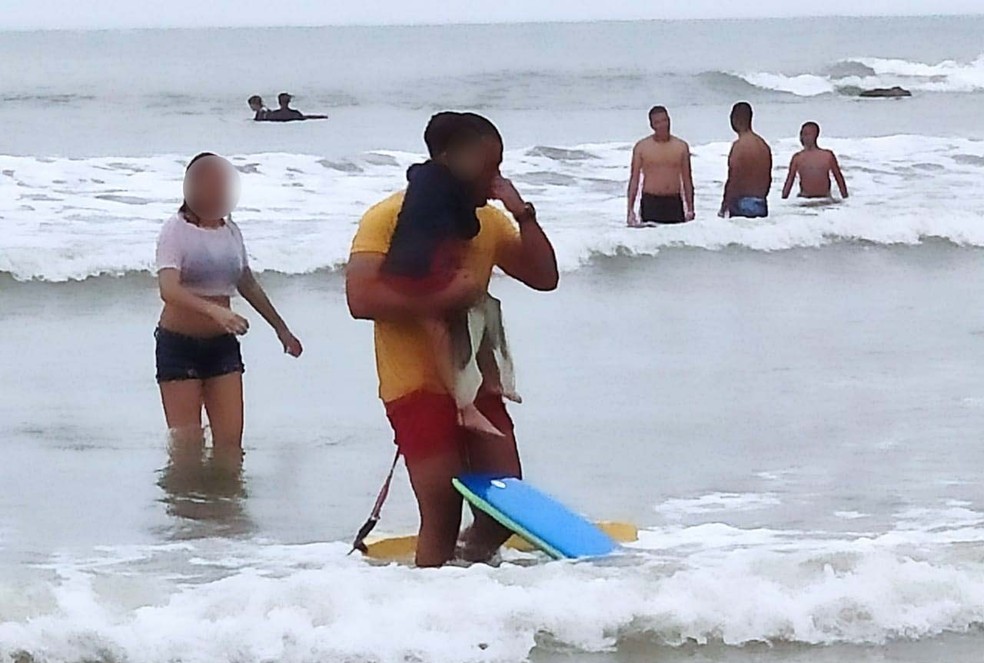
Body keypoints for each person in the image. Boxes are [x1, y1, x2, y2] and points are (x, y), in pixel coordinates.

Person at [346, 112, 559, 568]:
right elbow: (360, 299)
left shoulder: (488, 222)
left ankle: (470, 567)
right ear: (448, 159)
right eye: (487, 166)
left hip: (474, 382)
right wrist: (446, 297)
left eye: (500, 165)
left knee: (505, 506)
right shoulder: (388, 218)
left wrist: (522, 213)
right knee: (442, 510)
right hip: (414, 385)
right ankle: (432, 612)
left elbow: (545, 277)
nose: (495, 177)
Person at [155, 153, 303, 465]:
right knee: (187, 448)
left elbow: (246, 282)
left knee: (230, 448)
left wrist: (281, 328)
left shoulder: (231, 231)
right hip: (178, 345)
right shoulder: (175, 230)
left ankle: (226, 507)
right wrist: (216, 312)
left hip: (222, 347)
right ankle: (187, 510)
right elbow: (169, 290)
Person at [382, 113, 509, 439]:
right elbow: (469, 227)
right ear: (449, 157)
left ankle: (489, 382)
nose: (489, 174)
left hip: (407, 267)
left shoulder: (424, 179)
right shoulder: (446, 185)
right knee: (456, 316)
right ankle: (467, 405)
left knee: (473, 311)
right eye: (483, 164)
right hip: (417, 270)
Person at [627, 106, 695, 226]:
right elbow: (634, 180)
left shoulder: (681, 146)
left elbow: (687, 180)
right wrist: (630, 210)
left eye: (665, 120)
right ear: (652, 126)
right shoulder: (642, 147)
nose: (663, 125)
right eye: (658, 122)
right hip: (650, 202)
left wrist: (690, 209)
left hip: (674, 202)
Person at [719, 102, 773, 219]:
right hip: (761, 203)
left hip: (742, 204)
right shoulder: (763, 145)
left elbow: (733, 178)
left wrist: (725, 205)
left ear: (735, 119)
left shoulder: (739, 146)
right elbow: (768, 179)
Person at [781, 122, 849, 200]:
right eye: (802, 134)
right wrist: (784, 199)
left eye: (807, 134)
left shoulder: (827, 155)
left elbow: (839, 178)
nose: (804, 137)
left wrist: (845, 198)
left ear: (815, 135)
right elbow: (789, 180)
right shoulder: (797, 157)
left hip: (825, 198)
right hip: (805, 199)